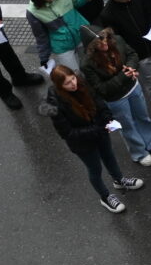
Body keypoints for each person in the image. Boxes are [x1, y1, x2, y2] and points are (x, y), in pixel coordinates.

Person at [46, 65, 143, 213]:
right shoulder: (54, 103)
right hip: (83, 143)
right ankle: (105, 197)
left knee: (109, 157)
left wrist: (107, 117)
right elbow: (67, 133)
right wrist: (98, 129)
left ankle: (119, 180)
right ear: (59, 86)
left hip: (99, 131)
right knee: (95, 169)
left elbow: (98, 101)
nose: (73, 84)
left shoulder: (81, 83)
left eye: (73, 78)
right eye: (67, 83)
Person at [80, 25, 151, 167]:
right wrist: (123, 76)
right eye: (98, 44)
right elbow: (101, 89)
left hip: (133, 88)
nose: (104, 44)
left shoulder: (117, 40)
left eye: (104, 39)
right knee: (127, 125)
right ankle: (139, 152)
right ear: (92, 48)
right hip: (116, 99)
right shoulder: (87, 64)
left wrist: (130, 67)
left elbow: (132, 54)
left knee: (143, 116)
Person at [26, 0, 91, 71]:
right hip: (62, 46)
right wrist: (44, 57)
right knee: (73, 73)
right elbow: (41, 36)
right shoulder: (32, 12)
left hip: (81, 34)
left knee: (89, 66)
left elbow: (77, 1)